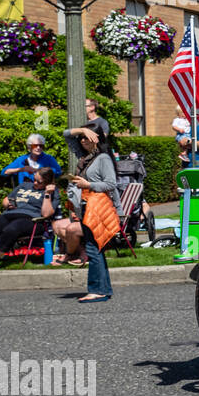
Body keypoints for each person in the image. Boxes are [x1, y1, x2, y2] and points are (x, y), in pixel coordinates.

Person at [62, 125, 120, 302]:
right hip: (88, 207)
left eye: (87, 137)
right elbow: (66, 135)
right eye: (82, 138)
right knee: (96, 249)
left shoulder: (102, 158)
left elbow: (111, 183)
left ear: (97, 138)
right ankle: (103, 289)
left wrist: (88, 185)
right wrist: (81, 130)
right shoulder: (85, 157)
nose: (82, 140)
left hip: (98, 208)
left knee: (93, 249)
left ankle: (97, 290)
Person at [0, 167, 58, 269]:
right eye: (34, 179)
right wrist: (8, 203)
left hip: (33, 220)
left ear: (47, 182)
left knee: (12, 229)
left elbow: (46, 214)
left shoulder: (52, 192)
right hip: (10, 214)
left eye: (39, 182)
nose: (35, 183)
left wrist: (47, 194)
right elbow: (6, 200)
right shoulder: (24, 185)